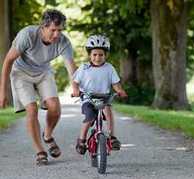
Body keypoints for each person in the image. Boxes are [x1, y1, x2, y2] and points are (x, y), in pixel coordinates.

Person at [0, 9, 77, 165]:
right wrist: (2, 92)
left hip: (43, 72)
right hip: (21, 73)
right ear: (43, 26)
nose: (57, 34)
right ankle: (40, 151)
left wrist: (75, 87)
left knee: (55, 107)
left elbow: (71, 66)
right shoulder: (27, 35)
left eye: (60, 30)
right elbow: (8, 61)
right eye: (53, 30)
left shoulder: (63, 42)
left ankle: (47, 136)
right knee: (32, 109)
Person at [72, 35, 127, 155]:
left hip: (104, 97)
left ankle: (112, 137)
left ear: (105, 55)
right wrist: (76, 90)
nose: (97, 58)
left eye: (101, 55)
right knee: (90, 116)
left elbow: (115, 83)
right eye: (94, 55)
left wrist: (120, 90)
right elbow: (75, 82)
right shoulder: (84, 68)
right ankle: (81, 140)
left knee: (108, 111)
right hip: (88, 97)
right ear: (89, 55)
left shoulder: (109, 68)